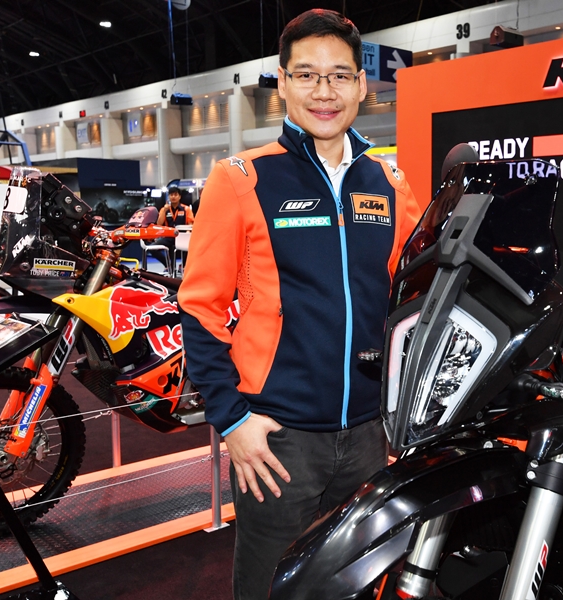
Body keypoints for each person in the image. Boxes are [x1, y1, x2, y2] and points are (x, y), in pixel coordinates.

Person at [177, 9, 422, 600]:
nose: (324, 92)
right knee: (269, 589)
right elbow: (200, 306)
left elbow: (412, 299)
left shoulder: (390, 184)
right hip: (277, 439)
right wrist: (232, 421)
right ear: (283, 84)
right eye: (307, 75)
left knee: (359, 586)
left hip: (369, 435)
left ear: (361, 86)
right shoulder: (241, 179)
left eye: (339, 76)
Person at [153, 186, 194, 273]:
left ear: (179, 196)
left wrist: (188, 232)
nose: (173, 197)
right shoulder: (164, 209)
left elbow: (191, 224)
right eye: (171, 195)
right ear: (169, 196)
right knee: (153, 248)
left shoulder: (186, 209)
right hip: (169, 236)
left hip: (182, 237)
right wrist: (164, 211)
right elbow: (159, 223)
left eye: (175, 195)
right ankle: (168, 265)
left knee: (190, 245)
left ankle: (183, 265)